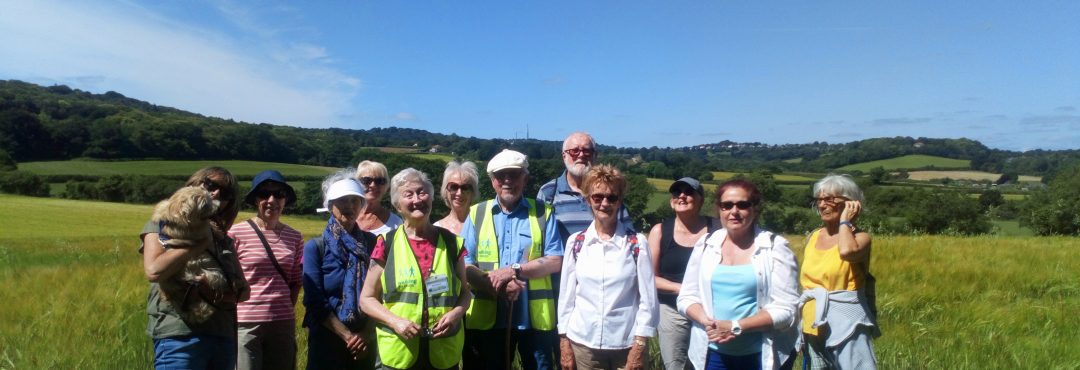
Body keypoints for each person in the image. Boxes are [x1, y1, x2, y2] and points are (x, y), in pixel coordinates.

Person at [678, 179, 799, 370]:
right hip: (711, 354)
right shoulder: (706, 244)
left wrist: (736, 326)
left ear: (755, 209)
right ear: (719, 209)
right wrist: (704, 320)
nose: (734, 211)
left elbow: (787, 310)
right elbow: (687, 296)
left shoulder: (775, 247)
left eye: (742, 205)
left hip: (758, 355)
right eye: (726, 205)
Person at [460, 149, 565, 370]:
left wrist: (513, 270)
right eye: (501, 175)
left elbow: (556, 259)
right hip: (489, 320)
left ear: (525, 178)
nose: (508, 180)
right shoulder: (477, 213)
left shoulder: (543, 212)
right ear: (492, 181)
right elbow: (465, 264)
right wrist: (495, 286)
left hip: (534, 322)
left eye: (514, 174)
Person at [359, 168, 472, 370]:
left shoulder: (452, 243)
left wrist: (456, 314)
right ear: (397, 205)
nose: (417, 199)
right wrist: (395, 322)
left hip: (443, 352)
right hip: (399, 352)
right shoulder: (386, 244)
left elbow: (465, 292)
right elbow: (366, 299)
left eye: (422, 192)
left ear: (431, 198)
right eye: (408, 194)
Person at [140, 166, 250, 369]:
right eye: (210, 184)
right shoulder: (162, 224)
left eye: (225, 193)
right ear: (194, 182)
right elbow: (154, 270)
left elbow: (243, 293)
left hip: (222, 335)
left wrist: (212, 293)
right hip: (179, 334)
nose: (216, 193)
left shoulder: (222, 238)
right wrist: (198, 244)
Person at [557, 165, 658, 370]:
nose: (604, 203)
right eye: (597, 197)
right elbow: (566, 298)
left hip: (626, 344)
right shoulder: (576, 243)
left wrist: (639, 345)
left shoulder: (637, 243)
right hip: (583, 344)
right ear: (588, 199)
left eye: (611, 198)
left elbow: (648, 299)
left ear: (619, 201)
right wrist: (564, 342)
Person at [799, 174, 879, 369]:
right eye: (820, 199)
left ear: (851, 204)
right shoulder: (813, 236)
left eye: (830, 199)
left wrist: (845, 222)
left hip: (847, 323)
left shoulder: (860, 238)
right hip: (813, 322)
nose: (823, 205)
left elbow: (847, 252)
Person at [303, 170, 379, 369]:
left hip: (365, 341)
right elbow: (314, 300)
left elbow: (381, 291)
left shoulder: (373, 243)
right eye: (343, 200)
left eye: (355, 200)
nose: (350, 206)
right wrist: (347, 336)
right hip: (326, 340)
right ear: (330, 205)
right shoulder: (316, 247)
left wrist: (365, 334)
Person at [229, 170, 304, 370]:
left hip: (282, 322)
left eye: (278, 194)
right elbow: (229, 279)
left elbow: (296, 281)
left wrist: (281, 308)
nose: (272, 200)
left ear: (285, 199)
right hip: (246, 323)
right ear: (255, 200)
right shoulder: (236, 233)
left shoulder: (295, 237)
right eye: (264, 194)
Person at [648, 177, 719, 370]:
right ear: (671, 201)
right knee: (675, 365)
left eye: (688, 192)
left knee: (709, 362)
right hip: (671, 309)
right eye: (676, 192)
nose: (682, 196)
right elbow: (649, 278)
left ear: (701, 200)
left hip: (711, 309)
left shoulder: (718, 229)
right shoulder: (660, 231)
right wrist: (683, 289)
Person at [537, 132, 633, 237]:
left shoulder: (610, 193)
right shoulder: (548, 192)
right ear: (564, 156)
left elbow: (628, 235)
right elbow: (539, 236)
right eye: (574, 151)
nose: (581, 155)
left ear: (595, 156)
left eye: (587, 151)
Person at [355, 160, 403, 235]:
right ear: (356, 183)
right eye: (366, 180)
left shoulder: (396, 224)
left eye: (379, 181)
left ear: (386, 186)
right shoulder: (346, 215)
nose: (373, 185)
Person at [433, 160, 480, 236]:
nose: (459, 193)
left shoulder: (482, 226)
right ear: (445, 191)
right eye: (453, 187)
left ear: (473, 192)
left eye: (465, 187)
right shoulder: (436, 229)